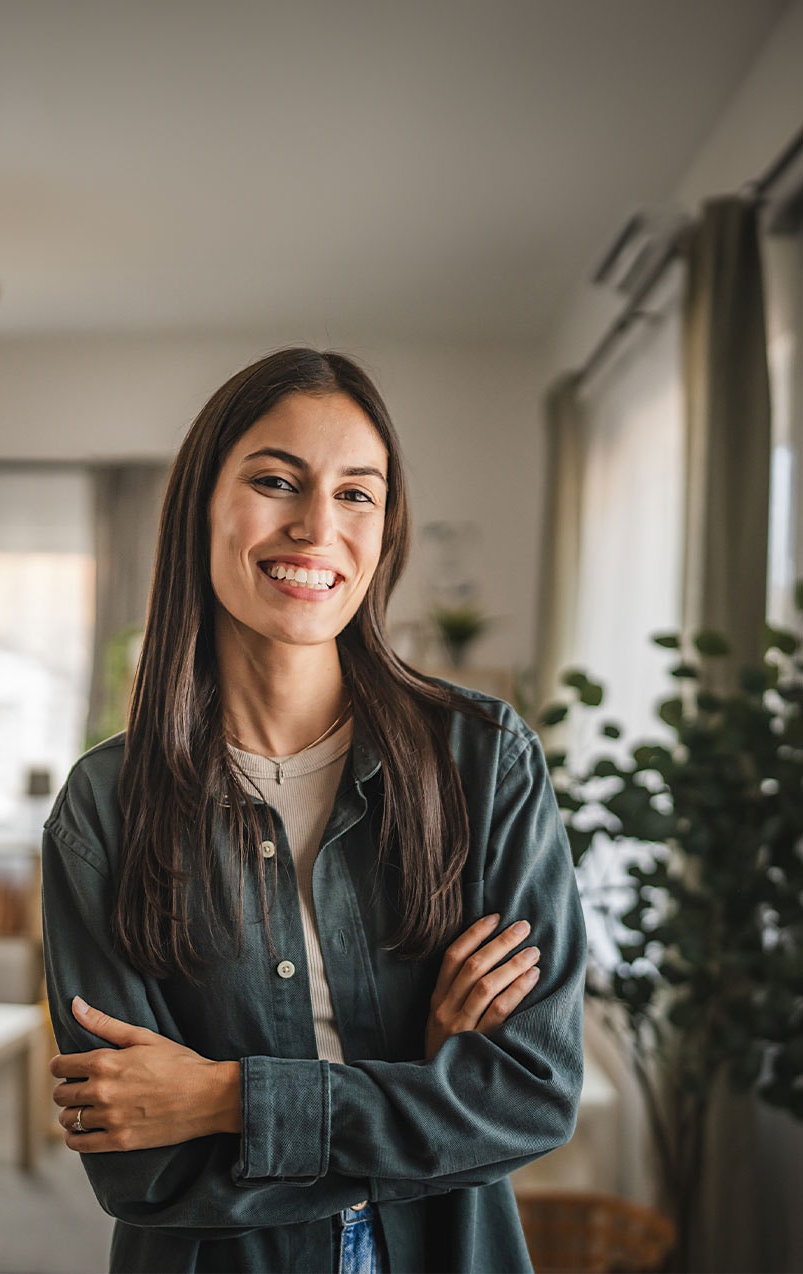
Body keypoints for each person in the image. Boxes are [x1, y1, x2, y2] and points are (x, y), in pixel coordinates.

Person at [42, 347, 586, 1274]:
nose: (314, 527)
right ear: (200, 508)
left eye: (356, 494)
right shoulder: (105, 808)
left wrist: (225, 1099)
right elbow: (140, 1168)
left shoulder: (485, 761)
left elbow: (530, 1096)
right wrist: (422, 1093)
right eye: (275, 480)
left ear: (386, 530)